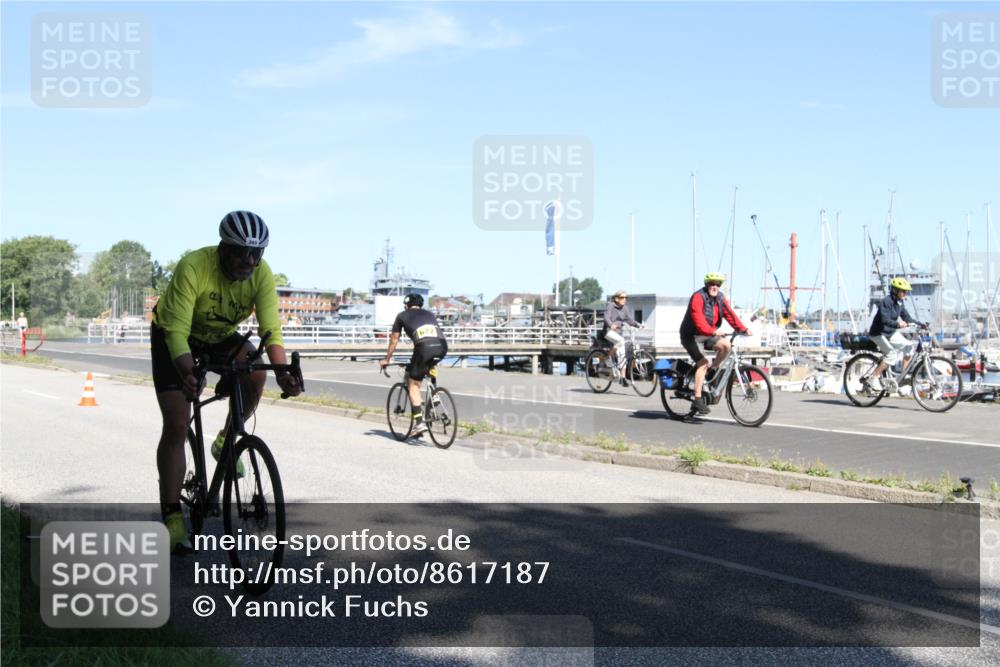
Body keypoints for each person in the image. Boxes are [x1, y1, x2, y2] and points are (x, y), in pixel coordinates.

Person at [151, 211, 302, 553]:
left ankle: (225, 440)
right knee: (177, 423)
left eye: (256, 253)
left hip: (218, 335)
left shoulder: (260, 273)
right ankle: (173, 518)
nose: (249, 261)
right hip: (173, 334)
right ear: (223, 247)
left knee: (257, 371)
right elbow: (176, 332)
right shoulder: (194, 266)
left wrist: (283, 372)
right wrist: (188, 374)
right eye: (241, 252)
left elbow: (271, 330)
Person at [679, 273, 749, 415]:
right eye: (712, 284)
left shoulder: (720, 298)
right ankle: (697, 400)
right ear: (706, 284)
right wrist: (713, 331)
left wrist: (743, 329)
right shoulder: (698, 297)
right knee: (703, 363)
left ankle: (713, 370)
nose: (715, 287)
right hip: (691, 336)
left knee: (726, 346)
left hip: (707, 334)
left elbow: (730, 315)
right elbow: (698, 318)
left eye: (718, 284)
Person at [379, 294, 448, 437]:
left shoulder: (402, 315)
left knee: (413, 385)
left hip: (423, 348)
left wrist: (387, 359)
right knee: (427, 365)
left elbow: (394, 340)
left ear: (406, 305)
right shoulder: (429, 314)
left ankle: (419, 423)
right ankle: (433, 395)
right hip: (442, 346)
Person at [868, 277, 923, 391]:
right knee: (892, 355)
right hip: (878, 333)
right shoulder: (886, 301)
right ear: (895, 290)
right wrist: (898, 324)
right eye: (903, 291)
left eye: (905, 291)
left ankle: (902, 378)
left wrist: (921, 324)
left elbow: (907, 318)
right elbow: (885, 320)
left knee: (909, 347)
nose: (905, 294)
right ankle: (873, 377)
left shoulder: (899, 302)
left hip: (890, 333)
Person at [604, 290, 640, 386]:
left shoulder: (625, 308)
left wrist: (638, 325)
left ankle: (623, 378)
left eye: (626, 297)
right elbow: (606, 317)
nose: (624, 299)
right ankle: (608, 357)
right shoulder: (611, 306)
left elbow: (629, 320)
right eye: (622, 297)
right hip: (609, 331)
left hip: (619, 334)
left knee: (622, 354)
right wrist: (611, 325)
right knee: (621, 341)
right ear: (616, 299)